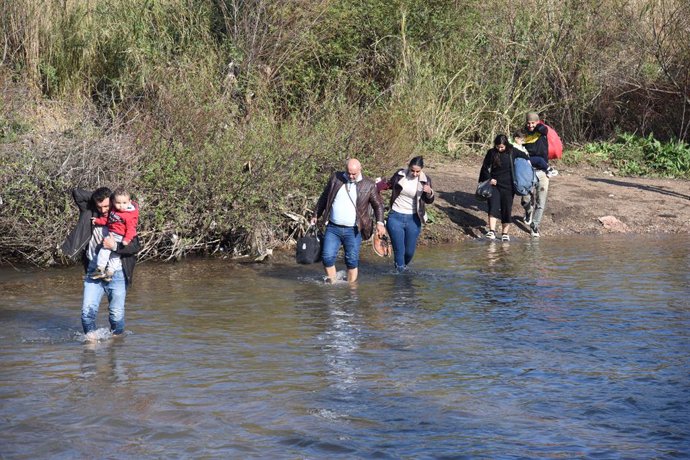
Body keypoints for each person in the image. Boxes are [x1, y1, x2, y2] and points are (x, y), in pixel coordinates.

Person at [61, 187, 141, 340]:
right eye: (100, 206)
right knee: (87, 313)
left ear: (113, 202)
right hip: (94, 270)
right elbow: (77, 193)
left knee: (116, 315)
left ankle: (116, 343)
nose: (103, 210)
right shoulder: (89, 213)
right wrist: (100, 197)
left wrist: (115, 246)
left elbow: (135, 247)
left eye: (106, 206)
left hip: (117, 272)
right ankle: (90, 344)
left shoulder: (124, 216)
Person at [311, 158, 385, 283]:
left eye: (354, 174)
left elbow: (378, 205)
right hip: (333, 228)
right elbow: (324, 197)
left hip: (354, 229)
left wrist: (380, 223)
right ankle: (333, 284)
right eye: (349, 172)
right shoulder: (336, 178)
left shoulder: (369, 184)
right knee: (327, 258)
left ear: (360, 170)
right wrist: (316, 214)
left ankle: (351, 289)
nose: (351, 176)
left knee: (351, 261)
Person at [385, 156, 434, 272]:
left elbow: (429, 200)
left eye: (418, 171)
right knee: (399, 250)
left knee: (409, 252)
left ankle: (401, 267)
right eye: (412, 170)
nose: (415, 173)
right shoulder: (400, 174)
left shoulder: (426, 180)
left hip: (414, 218)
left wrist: (430, 193)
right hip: (395, 216)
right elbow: (389, 184)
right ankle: (400, 276)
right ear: (409, 167)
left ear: (421, 169)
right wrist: (377, 186)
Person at [478, 134, 529, 242]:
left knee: (506, 209)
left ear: (506, 144)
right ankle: (491, 231)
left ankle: (505, 233)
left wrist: (524, 174)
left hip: (509, 187)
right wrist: (489, 178)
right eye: (498, 147)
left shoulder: (513, 151)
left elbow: (525, 157)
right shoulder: (491, 152)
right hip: (494, 185)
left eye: (502, 147)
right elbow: (485, 168)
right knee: (493, 207)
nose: (500, 149)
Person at [91, 187, 139, 282]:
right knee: (114, 254)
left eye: (124, 203)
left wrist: (126, 240)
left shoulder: (130, 215)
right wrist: (97, 220)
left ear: (129, 201)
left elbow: (131, 230)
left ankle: (101, 268)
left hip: (119, 236)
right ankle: (109, 273)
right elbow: (107, 220)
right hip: (113, 233)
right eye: (118, 203)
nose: (121, 206)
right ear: (113, 201)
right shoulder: (113, 210)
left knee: (106, 250)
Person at [521, 112, 555, 237]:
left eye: (533, 123)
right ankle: (528, 211)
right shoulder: (523, 134)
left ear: (537, 122)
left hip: (542, 172)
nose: (530, 125)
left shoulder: (542, 131)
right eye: (528, 123)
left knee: (541, 201)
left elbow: (543, 129)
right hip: (527, 171)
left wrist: (537, 125)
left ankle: (535, 225)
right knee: (525, 198)